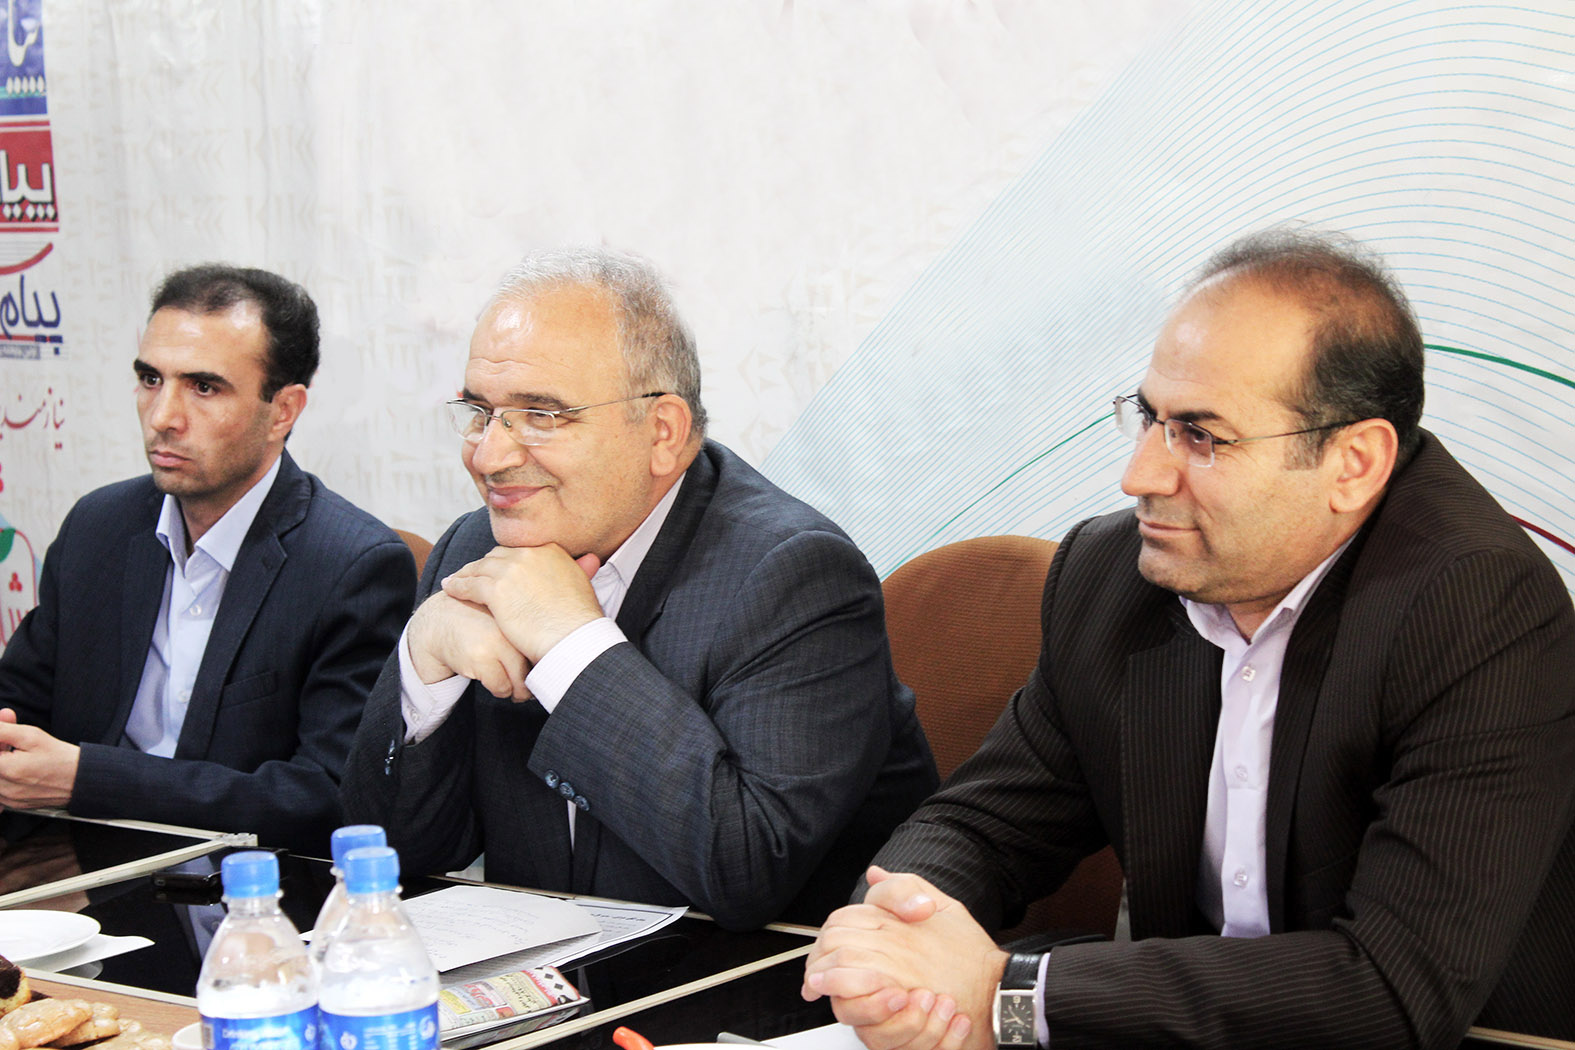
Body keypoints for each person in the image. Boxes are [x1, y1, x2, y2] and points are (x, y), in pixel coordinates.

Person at [802, 229, 1575, 1049]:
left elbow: (1390, 987)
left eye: (1200, 436)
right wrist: (893, 938)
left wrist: (1008, 994)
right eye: (1148, 417)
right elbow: (985, 825)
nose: (1139, 474)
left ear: (1352, 463)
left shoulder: (1481, 611)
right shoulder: (1111, 575)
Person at [341, 247, 937, 930]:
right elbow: (394, 864)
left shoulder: (794, 574)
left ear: (662, 433)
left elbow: (746, 871)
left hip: (754, 980)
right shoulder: (474, 550)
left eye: (541, 415)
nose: (489, 455)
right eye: (481, 411)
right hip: (555, 975)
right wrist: (421, 667)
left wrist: (572, 645)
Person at [0, 265, 416, 853]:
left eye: (204, 387)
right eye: (151, 379)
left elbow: (325, 796)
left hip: (247, 888)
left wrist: (89, 780)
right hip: (80, 868)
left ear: (283, 410)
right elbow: (20, 703)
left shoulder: (353, 566)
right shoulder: (98, 527)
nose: (163, 417)